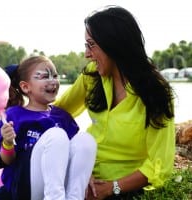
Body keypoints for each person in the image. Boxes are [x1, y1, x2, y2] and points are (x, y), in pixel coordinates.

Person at [54, 6, 175, 200]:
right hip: (80, 176)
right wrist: (78, 169)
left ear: (113, 44)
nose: (87, 53)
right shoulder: (91, 76)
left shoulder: (156, 92)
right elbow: (58, 114)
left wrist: (111, 188)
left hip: (122, 187)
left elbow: (158, 163)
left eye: (91, 44)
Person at [0, 55, 97, 200]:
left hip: (59, 183)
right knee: (56, 136)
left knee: (85, 140)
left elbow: (76, 153)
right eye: (44, 77)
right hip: (26, 187)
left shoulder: (62, 116)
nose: (52, 81)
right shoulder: (15, 115)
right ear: (25, 87)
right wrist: (8, 142)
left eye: (55, 76)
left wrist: (87, 174)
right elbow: (5, 161)